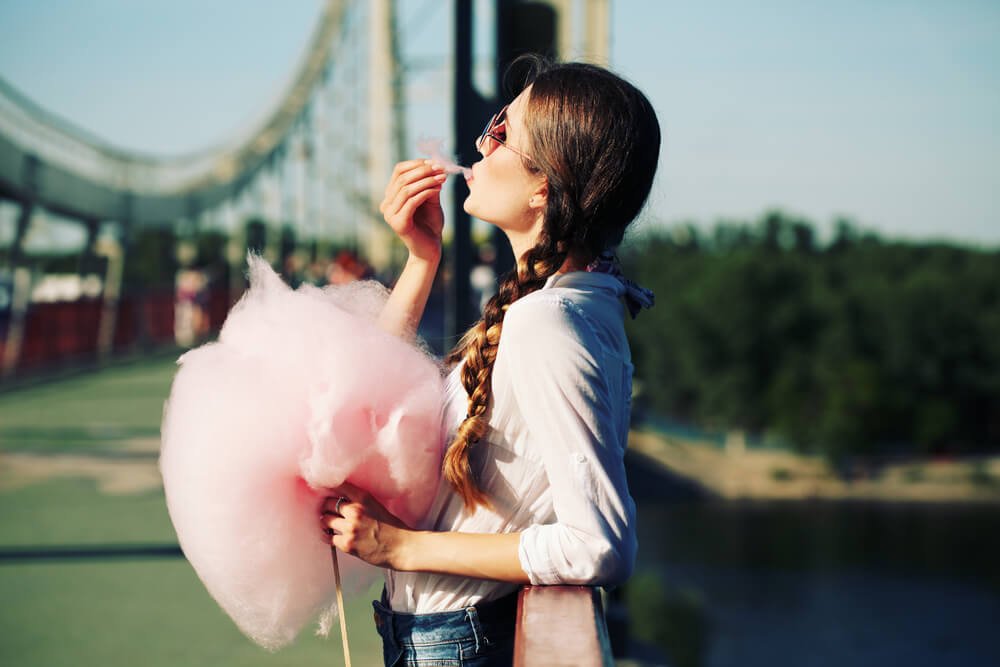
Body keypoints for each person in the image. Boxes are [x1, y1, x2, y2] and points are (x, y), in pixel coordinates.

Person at [319, 58, 660, 666]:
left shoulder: (547, 323)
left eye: (503, 132)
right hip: (447, 638)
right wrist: (421, 260)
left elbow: (599, 546)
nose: (482, 142)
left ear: (543, 188)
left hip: (456, 646)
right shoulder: (560, 303)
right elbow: (368, 396)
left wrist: (400, 547)